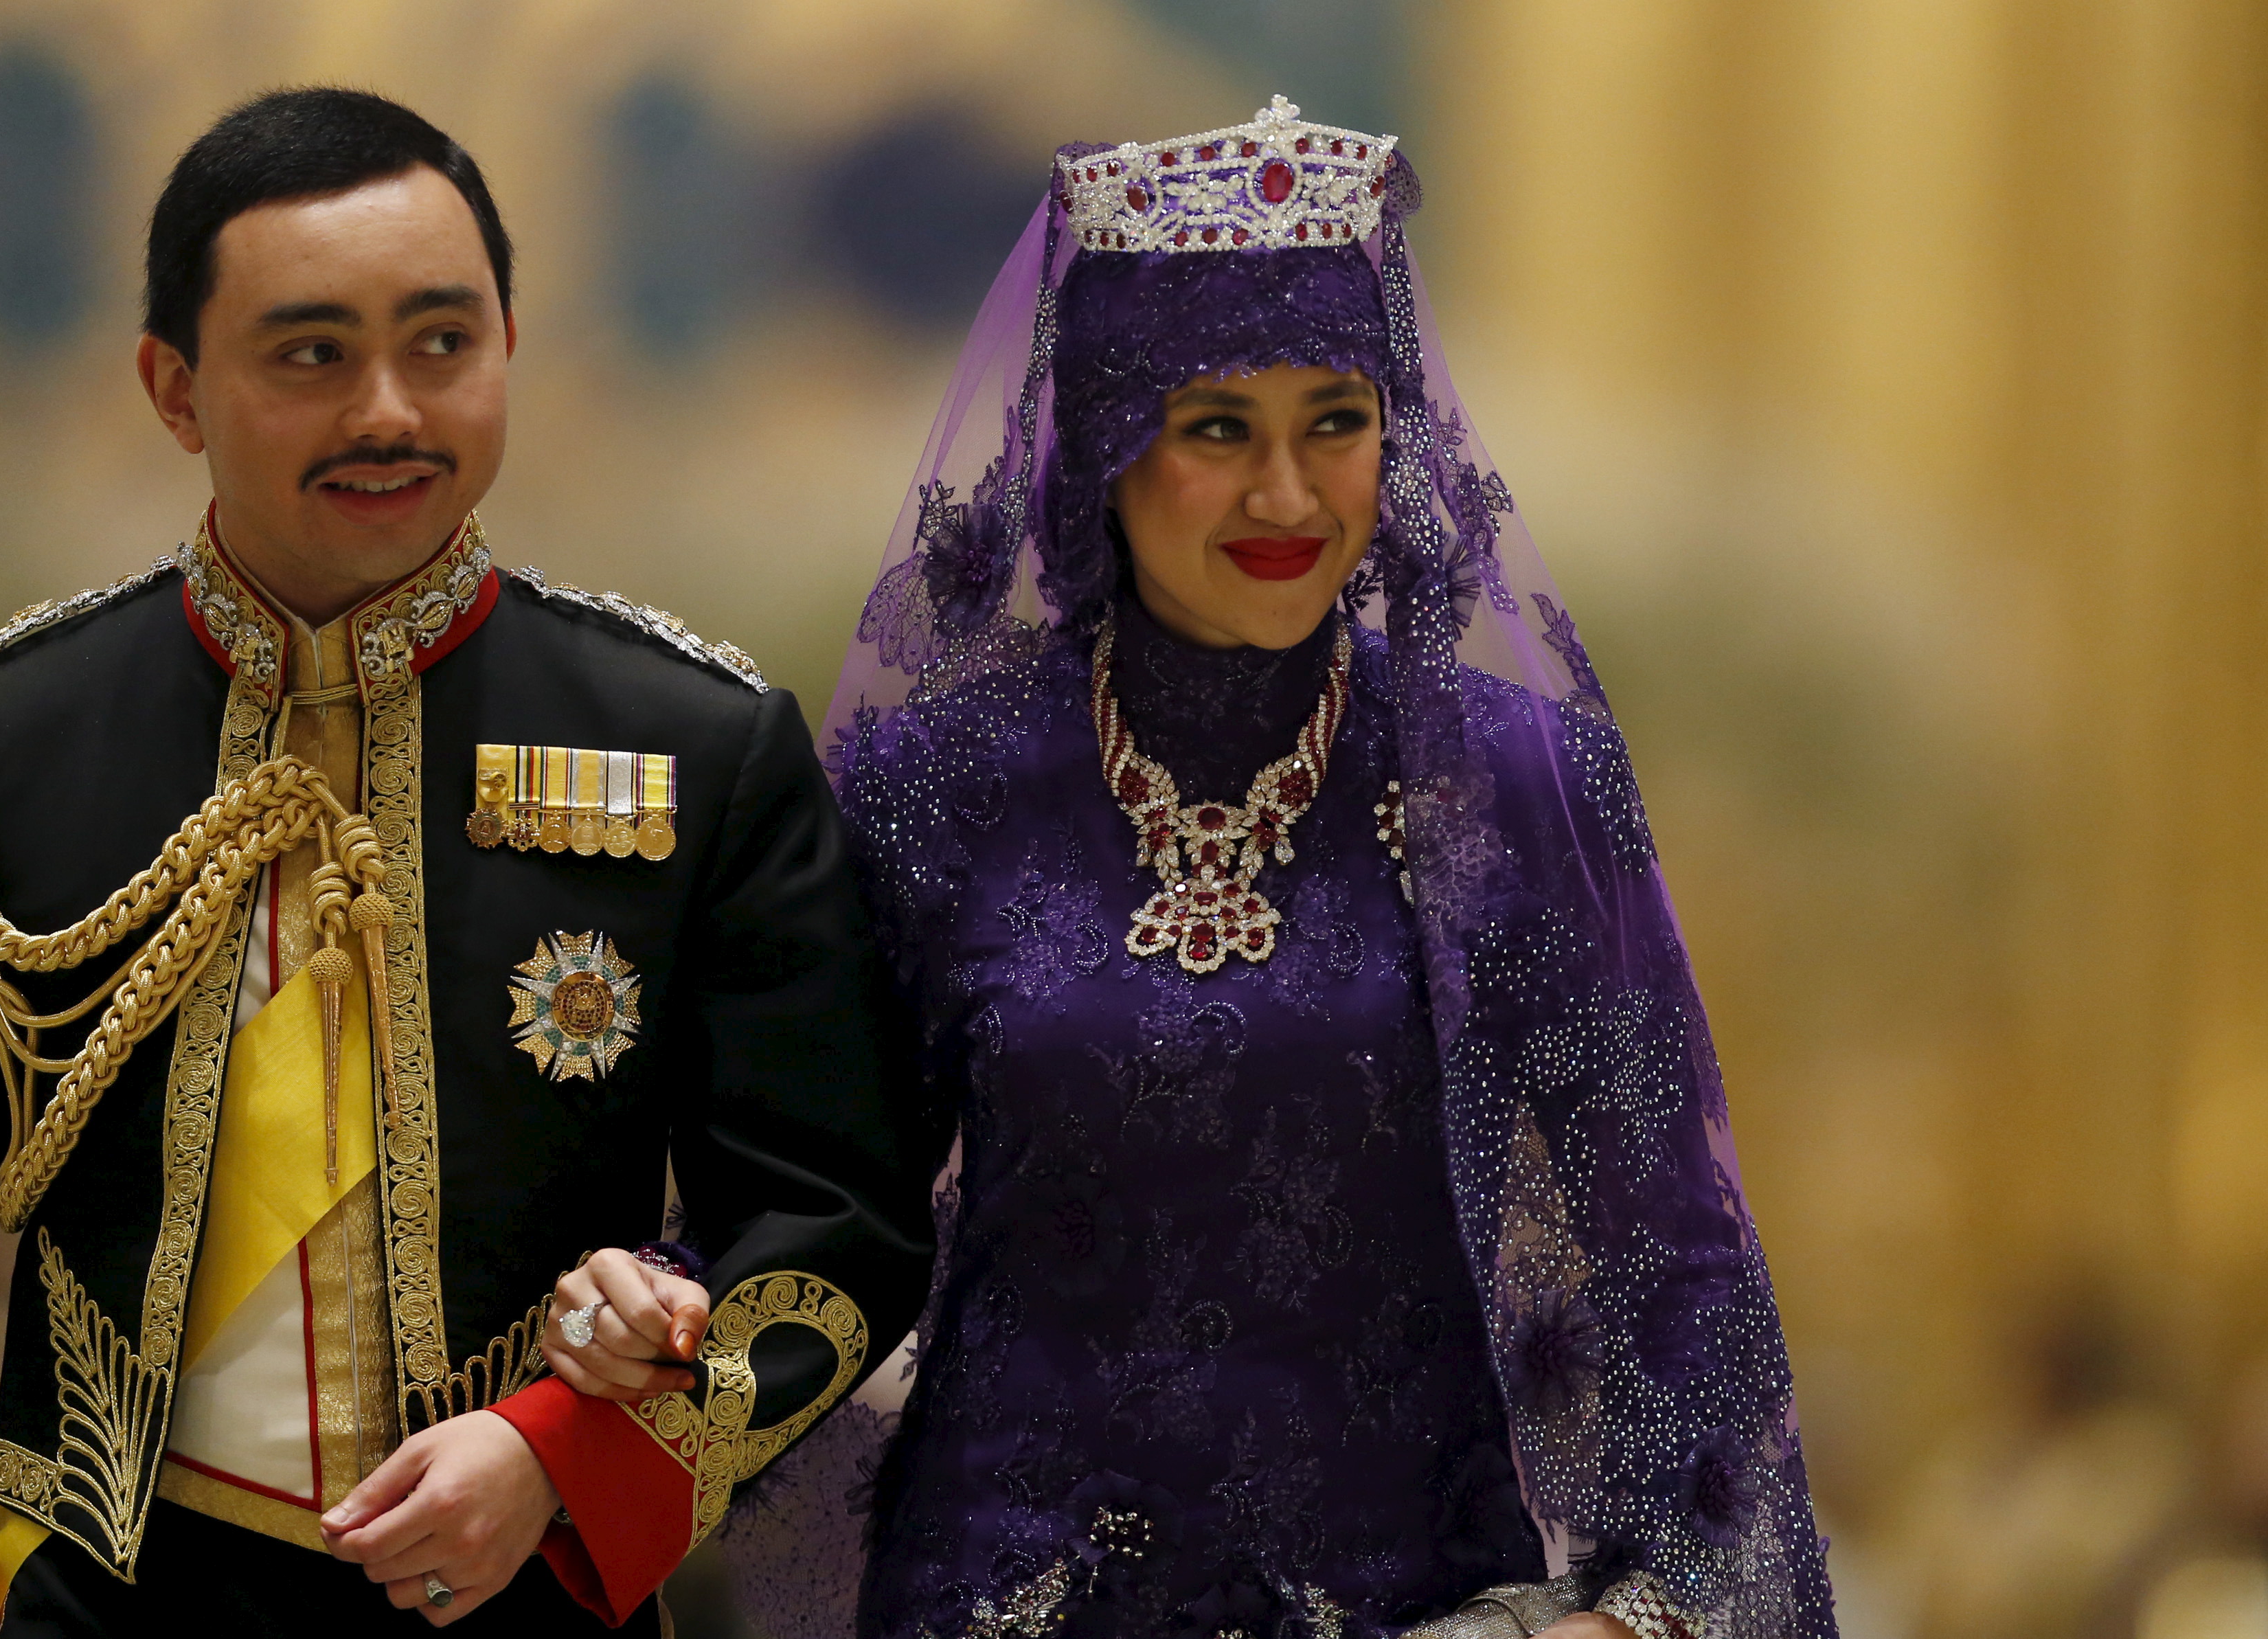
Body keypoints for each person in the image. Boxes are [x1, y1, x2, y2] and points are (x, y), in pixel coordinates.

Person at [548, 98, 1835, 1639]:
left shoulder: (1508, 779)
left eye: (1336, 421)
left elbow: (1674, 1260)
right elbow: (832, 1208)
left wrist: (1645, 1612)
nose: (1288, 496)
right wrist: (650, 1310)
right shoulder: (942, 785)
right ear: (1104, 438)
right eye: (1217, 427)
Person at [0, 89, 928, 1638]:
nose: (389, 410)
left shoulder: (696, 744)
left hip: (518, 1596)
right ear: (174, 387)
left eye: (442, 343)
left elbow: (840, 1227)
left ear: (509, 346)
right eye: (311, 354)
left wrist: (563, 1455)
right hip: (85, 1598)